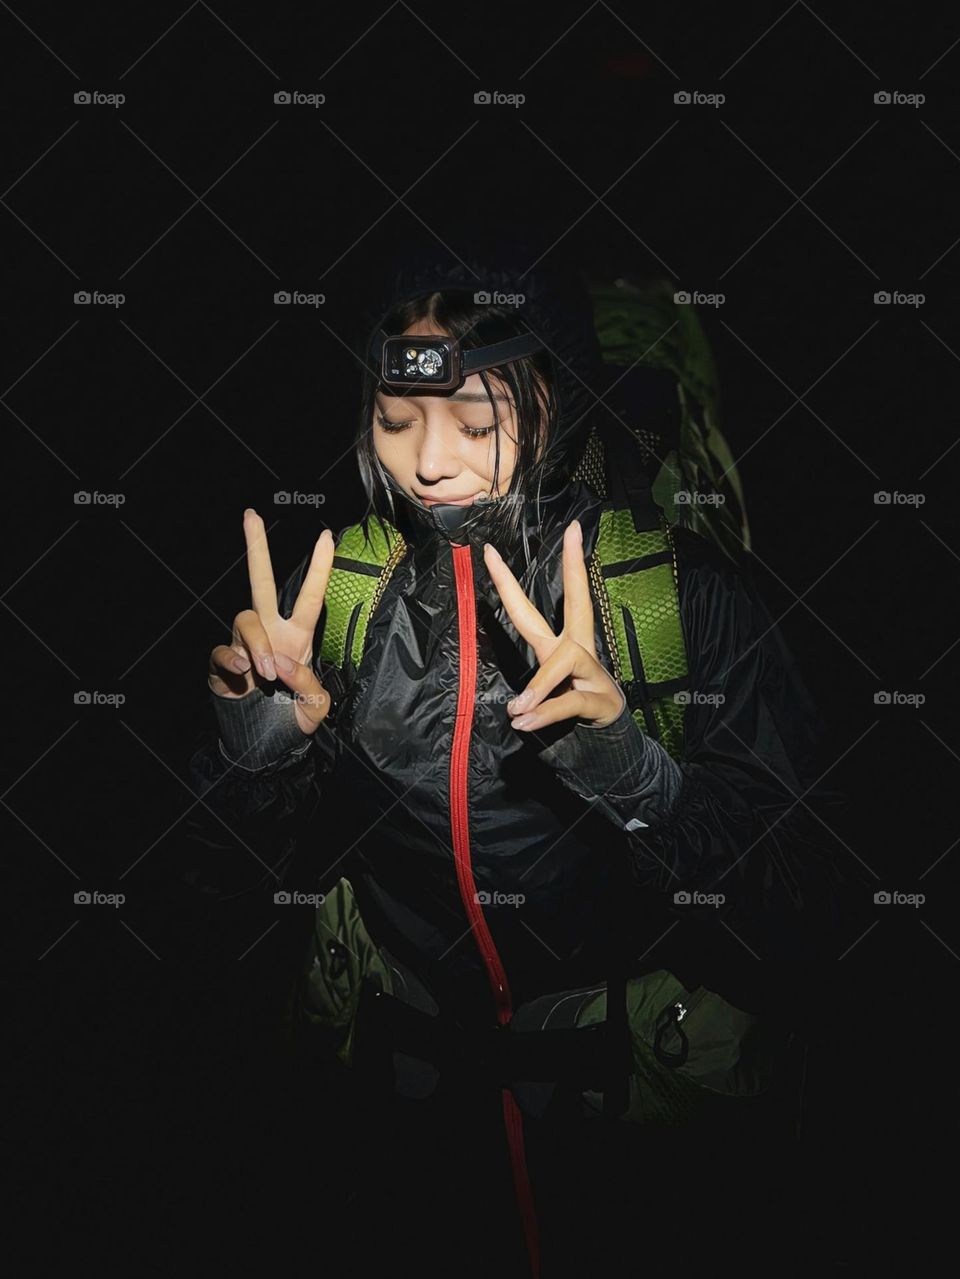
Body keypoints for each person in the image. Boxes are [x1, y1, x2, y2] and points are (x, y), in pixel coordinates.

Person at [187, 239, 854, 1277]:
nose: (430, 460)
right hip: (403, 1146)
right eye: (397, 420)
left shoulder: (682, 603)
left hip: (634, 1158)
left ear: (557, 401)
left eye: (478, 421)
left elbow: (812, 906)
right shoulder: (342, 603)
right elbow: (223, 907)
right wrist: (256, 759)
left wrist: (637, 775)